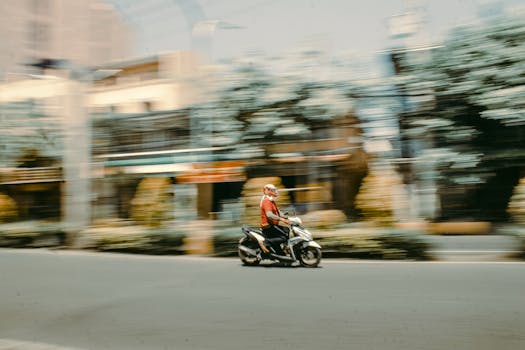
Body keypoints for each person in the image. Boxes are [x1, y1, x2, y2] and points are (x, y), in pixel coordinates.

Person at [259, 183, 290, 255]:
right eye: (272, 190)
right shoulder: (266, 201)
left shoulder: (271, 201)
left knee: (286, 230)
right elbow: (269, 215)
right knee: (284, 237)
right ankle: (265, 242)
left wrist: (286, 217)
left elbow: (277, 212)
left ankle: (282, 249)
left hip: (272, 225)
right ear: (267, 190)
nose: (274, 191)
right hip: (268, 226)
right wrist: (282, 220)